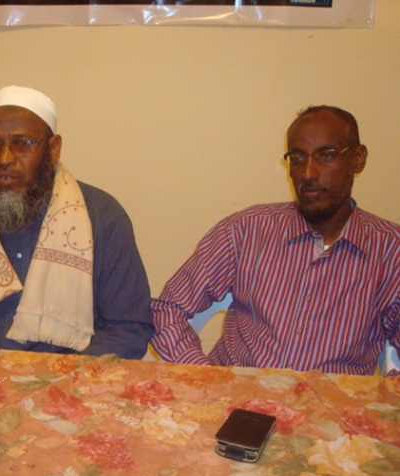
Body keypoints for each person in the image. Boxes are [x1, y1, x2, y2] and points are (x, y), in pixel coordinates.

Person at [0, 85, 153, 358]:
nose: (4, 159)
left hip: (71, 372)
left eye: (22, 144)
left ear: (53, 149)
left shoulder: (103, 216)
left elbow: (128, 329)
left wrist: (59, 376)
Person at [152, 106, 399, 375]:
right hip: (238, 394)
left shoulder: (390, 249)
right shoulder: (246, 230)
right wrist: (209, 378)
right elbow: (168, 309)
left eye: (326, 156)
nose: (308, 173)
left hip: (335, 398)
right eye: (297, 159)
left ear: (358, 159)